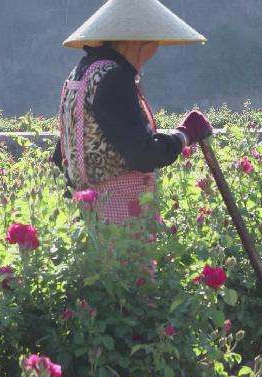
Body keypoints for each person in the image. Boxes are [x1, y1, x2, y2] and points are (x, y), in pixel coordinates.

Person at [54, 0, 213, 224]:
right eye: (154, 42)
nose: (155, 49)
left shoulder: (80, 73)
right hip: (119, 220)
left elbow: (61, 155)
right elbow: (143, 154)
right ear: (139, 41)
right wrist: (184, 135)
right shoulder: (114, 78)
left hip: (87, 216)